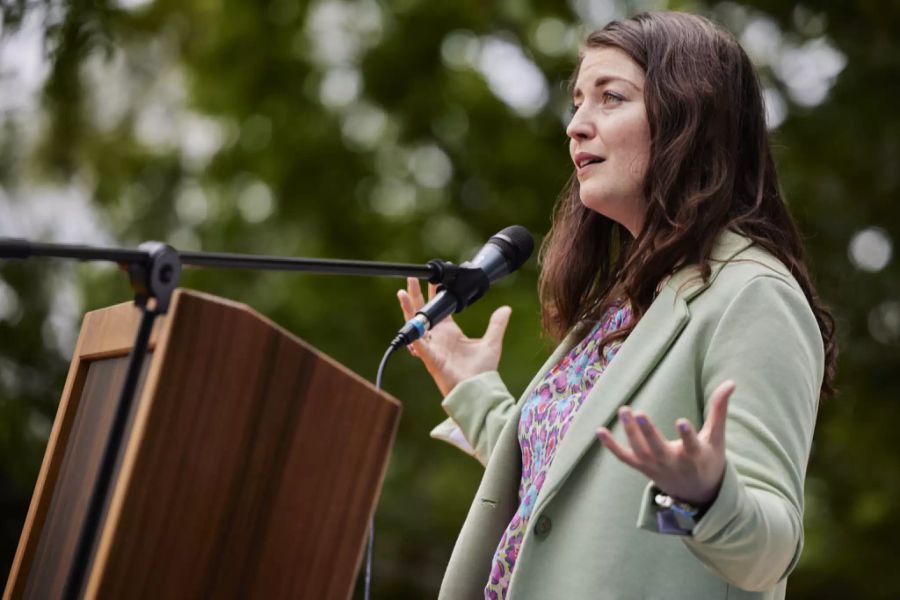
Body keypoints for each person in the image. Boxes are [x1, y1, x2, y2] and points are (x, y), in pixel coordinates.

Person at [396, 11, 836, 600]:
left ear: (690, 117)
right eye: (577, 101)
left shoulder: (752, 295)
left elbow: (768, 552)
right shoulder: (626, 300)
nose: (577, 125)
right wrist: (472, 389)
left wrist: (703, 495)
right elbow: (574, 485)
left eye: (611, 97)